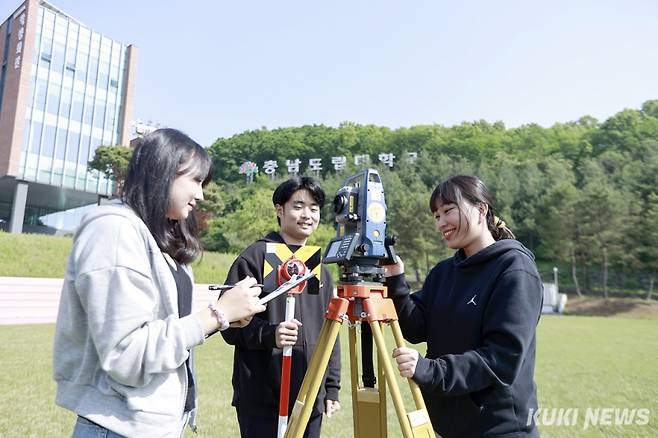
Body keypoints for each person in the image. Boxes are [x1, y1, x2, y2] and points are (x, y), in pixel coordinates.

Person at [53, 128, 265, 437]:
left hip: (156, 422)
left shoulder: (159, 240)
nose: (201, 195)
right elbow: (129, 353)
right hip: (120, 427)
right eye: (195, 180)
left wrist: (225, 316)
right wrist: (215, 316)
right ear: (161, 170)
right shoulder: (113, 231)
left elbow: (161, 324)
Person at [384, 175, 543, 437]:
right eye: (436, 215)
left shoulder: (514, 269)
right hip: (449, 428)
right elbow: (415, 328)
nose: (441, 222)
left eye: (448, 210)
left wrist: (431, 371)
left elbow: (502, 358)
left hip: (499, 429)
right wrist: (396, 281)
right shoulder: (444, 272)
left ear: (481, 209)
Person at [221, 176, 341, 438]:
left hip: (310, 399)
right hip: (262, 398)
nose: (307, 215)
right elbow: (228, 325)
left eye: (314, 208)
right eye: (298, 206)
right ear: (279, 209)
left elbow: (329, 332)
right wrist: (270, 334)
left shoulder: (319, 268)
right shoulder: (255, 257)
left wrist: (331, 387)